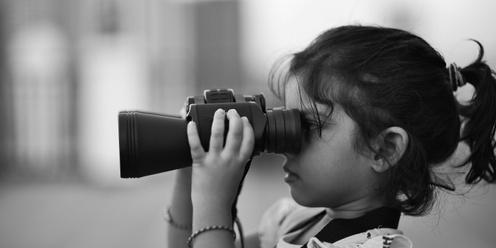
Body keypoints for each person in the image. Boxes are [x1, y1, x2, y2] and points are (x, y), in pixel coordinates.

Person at [165, 25, 496, 248]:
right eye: (288, 119)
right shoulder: (291, 220)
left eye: (308, 124)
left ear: (384, 149)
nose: (288, 144)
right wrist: (187, 174)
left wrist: (214, 203)